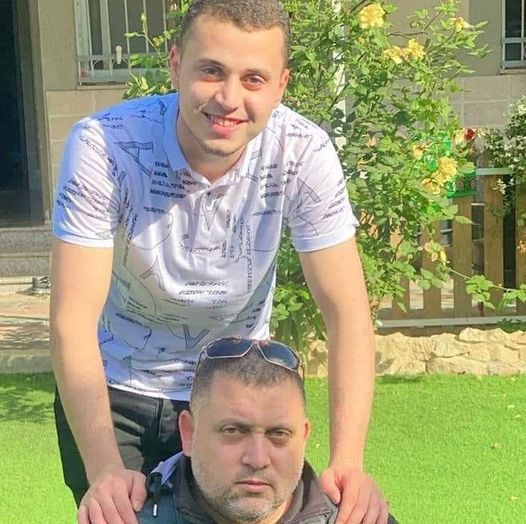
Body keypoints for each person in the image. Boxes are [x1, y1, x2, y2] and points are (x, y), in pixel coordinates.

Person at [50, 1, 380, 523]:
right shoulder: (106, 146)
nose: (229, 98)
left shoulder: (303, 152)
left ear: (281, 85)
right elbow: (72, 319)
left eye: (254, 79)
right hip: (113, 393)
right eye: (210, 71)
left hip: (233, 395)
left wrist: (348, 460)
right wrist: (105, 468)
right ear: (176, 65)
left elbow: (348, 314)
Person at [136, 338, 395, 524]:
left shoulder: (359, 518)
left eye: (279, 434)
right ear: (189, 434)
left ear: (303, 436)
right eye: (233, 431)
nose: (257, 459)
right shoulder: (132, 518)